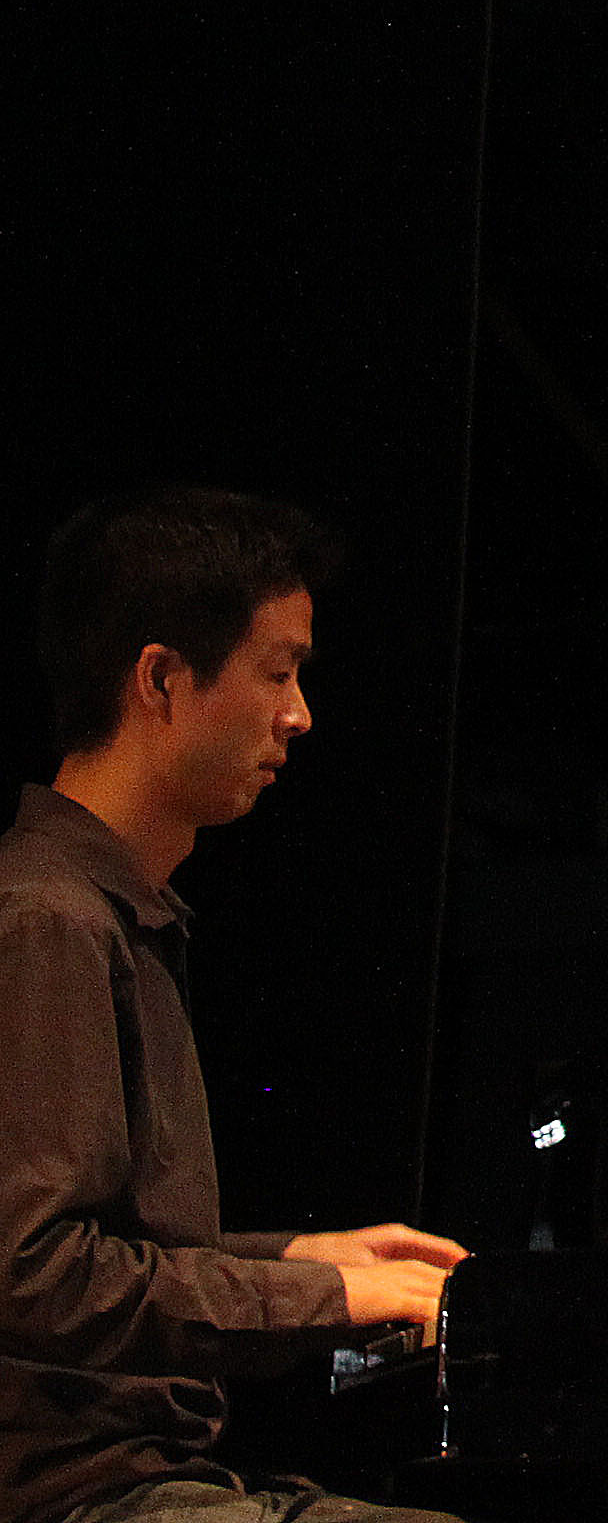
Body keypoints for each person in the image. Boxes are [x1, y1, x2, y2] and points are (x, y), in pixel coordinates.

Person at [4, 491, 472, 1523]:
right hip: (77, 1498)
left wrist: (304, 1258)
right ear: (162, 680)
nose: (299, 714)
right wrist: (325, 1300)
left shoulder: (113, 911)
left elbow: (113, 1248)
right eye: (278, 671)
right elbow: (33, 1273)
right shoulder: (48, 919)